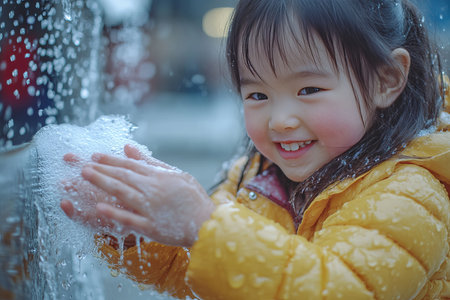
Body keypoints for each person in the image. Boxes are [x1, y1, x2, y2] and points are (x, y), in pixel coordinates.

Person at [61, 0, 450, 299]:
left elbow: (338, 287)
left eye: (308, 90)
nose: (279, 120)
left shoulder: (410, 192)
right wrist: (135, 230)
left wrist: (202, 225)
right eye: (258, 94)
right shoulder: (258, 178)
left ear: (387, 79)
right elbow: (205, 277)